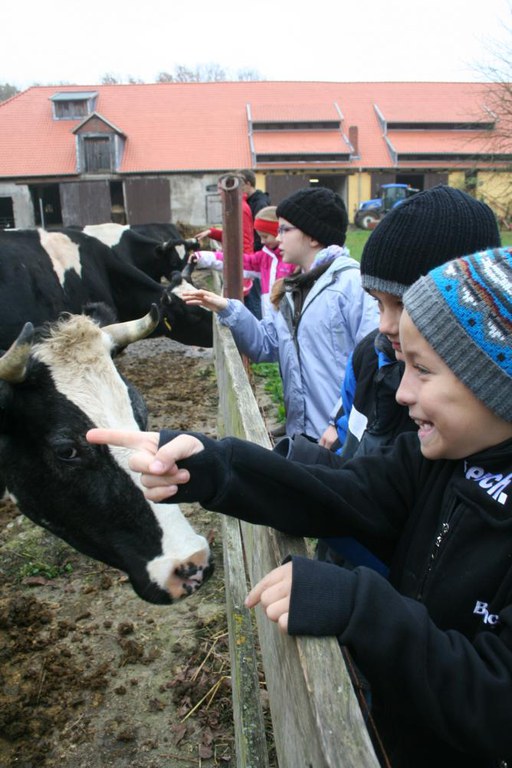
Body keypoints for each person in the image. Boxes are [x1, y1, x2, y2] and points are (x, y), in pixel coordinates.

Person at [88, 246, 512, 768]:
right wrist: (217, 465)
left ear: (495, 383)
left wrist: (361, 606)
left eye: (423, 370)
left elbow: (497, 703)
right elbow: (344, 493)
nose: (402, 392)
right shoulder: (443, 458)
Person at [272, 185, 502, 569]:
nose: (386, 325)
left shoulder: (475, 416)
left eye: (404, 304)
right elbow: (356, 451)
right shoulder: (369, 356)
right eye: (377, 303)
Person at [183, 186, 378, 441]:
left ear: (313, 237)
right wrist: (228, 308)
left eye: (285, 229)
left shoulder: (352, 286)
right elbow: (267, 344)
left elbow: (373, 362)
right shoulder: (292, 290)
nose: (278, 237)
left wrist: (338, 423)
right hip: (306, 437)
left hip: (342, 439)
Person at [191, 205, 296, 318]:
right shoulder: (265, 256)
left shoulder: (293, 260)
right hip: (271, 320)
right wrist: (204, 257)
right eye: (260, 236)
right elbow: (240, 262)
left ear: (278, 233)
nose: (262, 241)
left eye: (265, 236)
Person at [193, 175, 259, 316]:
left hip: (242, 268)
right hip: (242, 266)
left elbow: (243, 240)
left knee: (249, 310)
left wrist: (241, 266)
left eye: (220, 189)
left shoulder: (239, 209)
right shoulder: (235, 207)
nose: (218, 193)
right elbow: (232, 235)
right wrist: (211, 232)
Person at [238, 169, 271, 315]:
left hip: (257, 257)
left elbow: (260, 235)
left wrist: (253, 255)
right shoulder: (250, 202)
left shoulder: (259, 203)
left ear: (248, 183)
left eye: (240, 183)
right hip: (253, 256)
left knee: (255, 298)